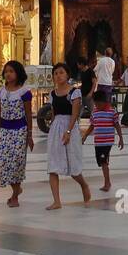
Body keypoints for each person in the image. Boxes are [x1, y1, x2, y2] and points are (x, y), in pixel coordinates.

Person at [46, 62, 91, 209]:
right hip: (56, 128)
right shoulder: (52, 94)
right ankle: (56, 201)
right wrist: (52, 129)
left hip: (69, 127)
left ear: (67, 75)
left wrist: (69, 132)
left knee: (74, 167)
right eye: (56, 73)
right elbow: (53, 114)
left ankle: (84, 185)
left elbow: (75, 114)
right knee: (53, 165)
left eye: (61, 73)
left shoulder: (74, 92)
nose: (58, 76)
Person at [0, 60, 34, 207]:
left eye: (11, 71)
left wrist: (29, 135)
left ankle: (15, 196)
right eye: (6, 71)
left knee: (16, 162)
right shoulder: (1, 91)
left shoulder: (24, 93)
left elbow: (28, 114)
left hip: (20, 130)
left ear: (18, 74)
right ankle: (16, 189)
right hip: (5, 129)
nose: (8, 74)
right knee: (3, 160)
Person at [81, 88, 122, 192]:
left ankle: (107, 183)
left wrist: (121, 138)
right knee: (101, 162)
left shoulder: (112, 112)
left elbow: (117, 125)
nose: (97, 105)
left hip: (107, 142)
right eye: (96, 103)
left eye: (99, 103)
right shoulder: (95, 112)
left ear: (105, 102)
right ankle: (107, 181)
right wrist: (85, 135)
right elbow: (92, 125)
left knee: (104, 162)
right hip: (98, 142)